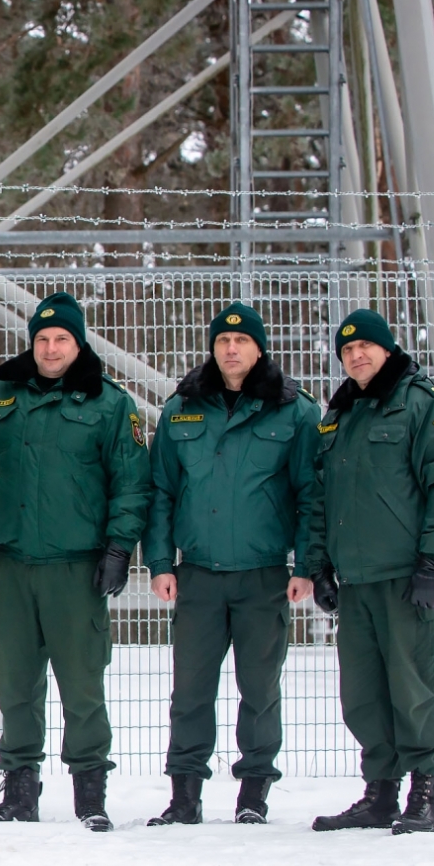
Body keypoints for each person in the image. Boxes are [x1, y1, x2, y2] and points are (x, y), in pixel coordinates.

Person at [0, 291, 151, 831]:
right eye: (42, 339)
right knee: (16, 685)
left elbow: (131, 484)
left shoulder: (110, 404)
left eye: (61, 339)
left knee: (82, 685)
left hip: (77, 568)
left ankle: (90, 795)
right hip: (15, 563)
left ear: (78, 343)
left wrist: (119, 549)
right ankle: (20, 792)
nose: (50, 348)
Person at [142, 302, 321, 826]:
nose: (231, 348)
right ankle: (185, 795)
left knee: (260, 689)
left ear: (259, 349)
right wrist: (160, 562)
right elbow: (161, 491)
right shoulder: (183, 408)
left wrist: (306, 565)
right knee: (190, 690)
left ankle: (253, 794)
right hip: (198, 575)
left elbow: (312, 494)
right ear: (213, 348)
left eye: (242, 341)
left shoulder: (293, 411)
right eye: (223, 340)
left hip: (264, 576)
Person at [307, 309, 434, 835]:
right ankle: (380, 793)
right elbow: (322, 499)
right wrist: (320, 566)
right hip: (355, 583)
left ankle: (424, 793)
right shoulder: (340, 415)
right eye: (347, 350)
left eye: (366, 346)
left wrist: (433, 564)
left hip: (406, 579)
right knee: (363, 695)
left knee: (412, 688)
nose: (356, 355)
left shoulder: (423, 405)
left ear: (387, 348)